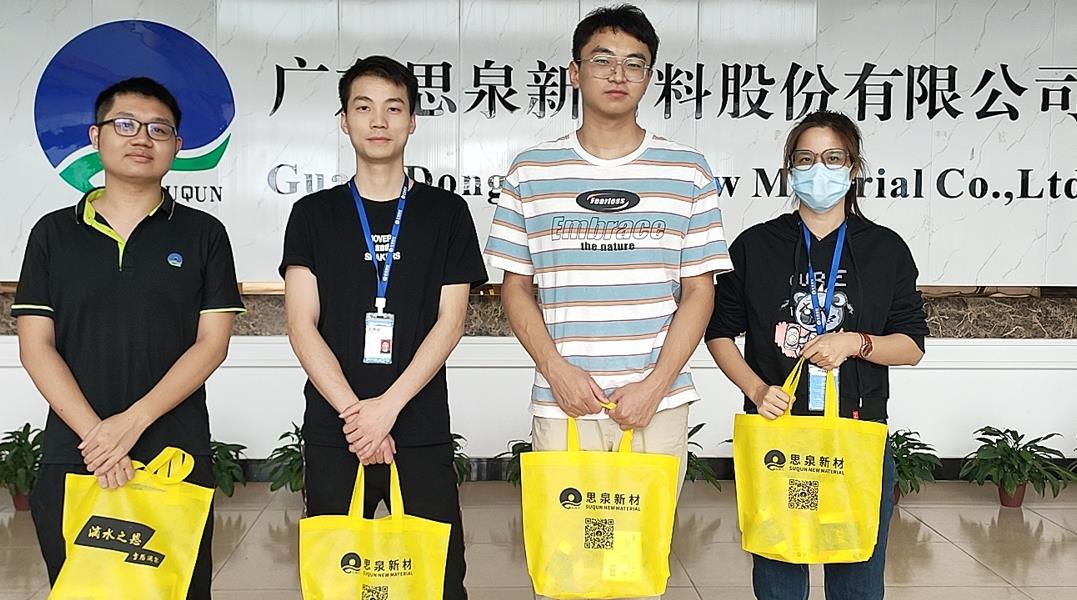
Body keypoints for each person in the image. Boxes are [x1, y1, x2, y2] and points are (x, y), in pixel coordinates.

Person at [486, 5, 731, 598]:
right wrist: (556, 370)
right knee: (566, 565)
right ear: (574, 72)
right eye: (602, 60)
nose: (618, 74)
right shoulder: (531, 170)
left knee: (638, 564)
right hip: (563, 402)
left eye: (634, 63)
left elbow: (699, 291)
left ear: (650, 77)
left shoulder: (687, 171)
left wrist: (654, 385)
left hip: (658, 402)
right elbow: (515, 287)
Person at [13, 77, 244, 599]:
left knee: (177, 590)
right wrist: (99, 437)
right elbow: (35, 346)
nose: (142, 137)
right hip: (77, 452)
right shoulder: (53, 233)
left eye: (159, 129)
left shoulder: (204, 234)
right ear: (96, 136)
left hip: (174, 452)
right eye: (126, 124)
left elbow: (211, 344)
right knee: (81, 588)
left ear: (177, 146)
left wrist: (130, 424)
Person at [281, 55, 487, 600]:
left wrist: (387, 409)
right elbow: (301, 325)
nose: (379, 120)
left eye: (394, 108)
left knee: (436, 575)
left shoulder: (446, 213)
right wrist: (358, 415)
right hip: (336, 425)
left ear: (413, 121)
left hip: (418, 422)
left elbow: (451, 322)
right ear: (343, 120)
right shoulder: (312, 214)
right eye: (363, 107)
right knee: (336, 574)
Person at [705, 110, 929, 600]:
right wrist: (756, 389)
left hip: (856, 435)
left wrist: (856, 342)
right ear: (789, 169)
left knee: (857, 574)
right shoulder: (756, 246)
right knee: (779, 571)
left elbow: (912, 345)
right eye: (805, 159)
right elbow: (719, 333)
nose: (818, 169)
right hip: (779, 435)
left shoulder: (885, 249)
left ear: (854, 168)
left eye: (832, 158)